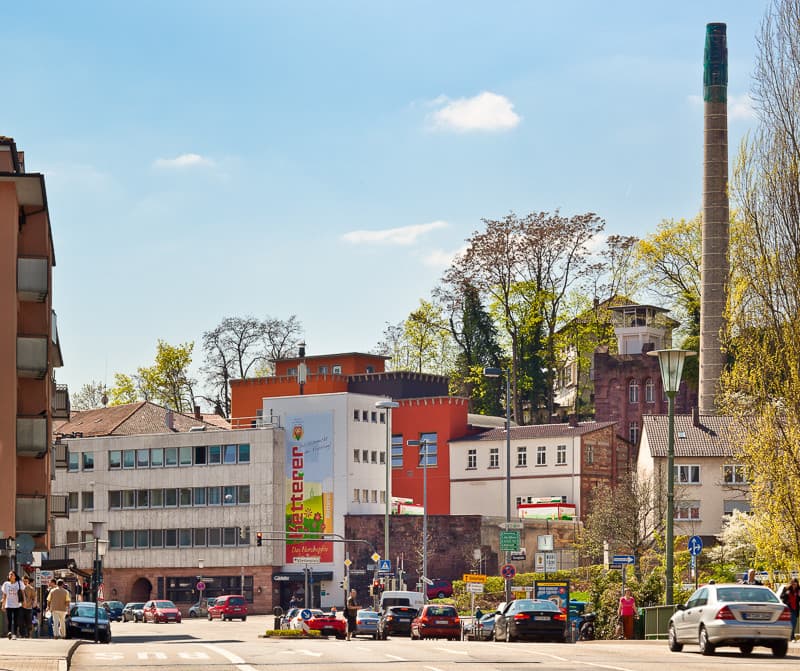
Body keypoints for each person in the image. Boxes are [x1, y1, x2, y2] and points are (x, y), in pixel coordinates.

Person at [1, 570, 22, 639]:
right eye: (9, 574)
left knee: (16, 620)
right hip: (8, 604)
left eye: (12, 574)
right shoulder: (6, 584)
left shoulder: (19, 583)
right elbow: (4, 595)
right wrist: (3, 605)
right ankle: (9, 632)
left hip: (17, 605)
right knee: (9, 619)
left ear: (15, 576)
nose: (10, 576)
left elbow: (23, 593)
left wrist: (24, 601)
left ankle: (14, 634)